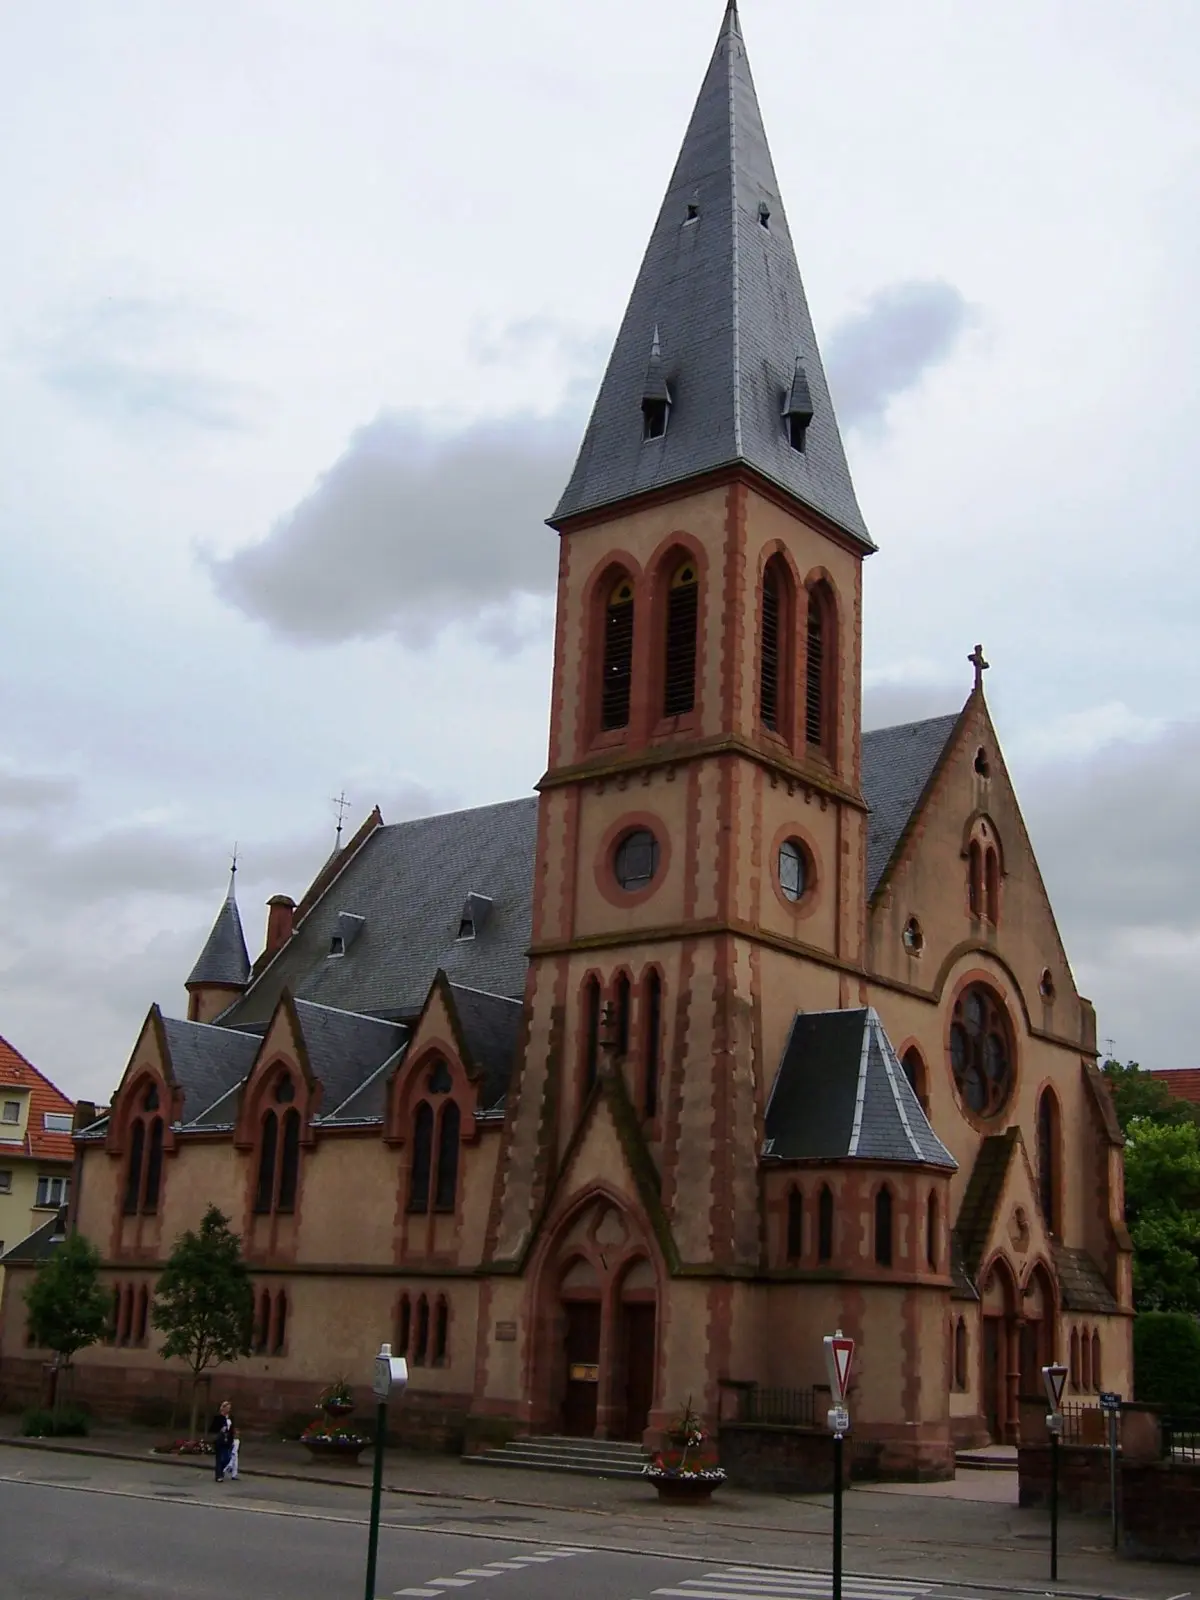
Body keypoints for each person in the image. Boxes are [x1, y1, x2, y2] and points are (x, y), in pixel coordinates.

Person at [209, 1400, 235, 1483]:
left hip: (228, 1440)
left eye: (229, 1408)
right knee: (219, 1458)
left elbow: (232, 1430)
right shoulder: (218, 1418)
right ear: (223, 1408)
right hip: (219, 1440)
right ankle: (218, 1475)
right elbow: (212, 1428)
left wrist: (232, 1439)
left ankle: (221, 1470)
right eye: (227, 1408)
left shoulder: (230, 1418)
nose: (228, 1410)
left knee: (228, 1458)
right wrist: (220, 1429)